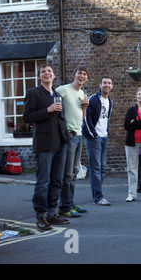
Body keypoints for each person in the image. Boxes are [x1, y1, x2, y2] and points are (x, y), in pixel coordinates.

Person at [23, 64, 70, 230]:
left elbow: (61, 118)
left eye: (49, 71)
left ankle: (52, 213)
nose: (46, 73)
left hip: (61, 142)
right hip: (44, 143)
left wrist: (66, 135)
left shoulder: (57, 94)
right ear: (39, 76)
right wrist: (47, 110)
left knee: (57, 180)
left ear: (54, 75)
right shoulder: (33, 93)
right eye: (43, 71)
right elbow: (27, 117)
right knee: (43, 181)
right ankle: (41, 217)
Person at [56, 66, 89, 218]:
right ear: (74, 75)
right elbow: (54, 105)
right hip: (68, 135)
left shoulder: (82, 93)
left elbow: (82, 117)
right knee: (67, 173)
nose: (81, 76)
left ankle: (70, 203)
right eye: (79, 73)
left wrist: (85, 107)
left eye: (84, 74)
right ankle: (64, 207)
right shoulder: (63, 89)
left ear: (86, 78)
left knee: (75, 173)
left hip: (78, 134)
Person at [82, 76, 114, 206]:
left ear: (111, 86)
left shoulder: (109, 101)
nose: (107, 85)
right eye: (104, 83)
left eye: (109, 83)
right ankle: (98, 197)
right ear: (100, 85)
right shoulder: (93, 99)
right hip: (93, 137)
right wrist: (93, 134)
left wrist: (106, 132)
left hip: (103, 137)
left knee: (102, 168)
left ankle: (97, 194)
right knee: (96, 168)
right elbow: (86, 118)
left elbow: (106, 119)